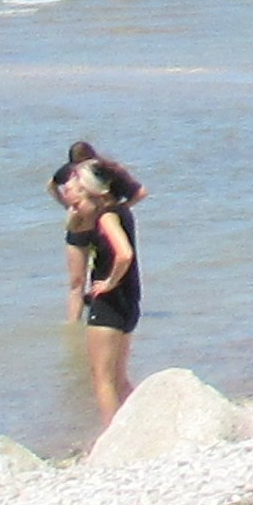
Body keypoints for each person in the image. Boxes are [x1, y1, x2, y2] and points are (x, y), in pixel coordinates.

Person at [56, 145, 143, 421]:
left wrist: (107, 282)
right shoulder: (119, 211)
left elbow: (124, 254)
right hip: (129, 302)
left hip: (108, 305)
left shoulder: (106, 218)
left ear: (94, 193)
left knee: (102, 380)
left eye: (76, 199)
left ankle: (111, 437)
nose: (73, 207)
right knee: (118, 379)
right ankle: (141, 421)